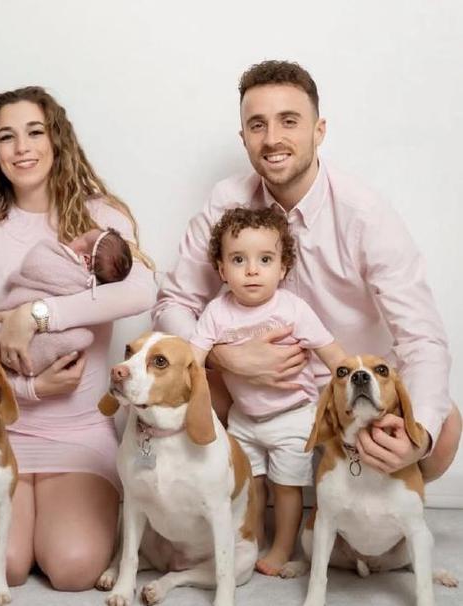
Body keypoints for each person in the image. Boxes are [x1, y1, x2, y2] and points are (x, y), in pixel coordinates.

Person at [153, 58, 461, 545]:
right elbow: (174, 300)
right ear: (243, 137)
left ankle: (368, 514)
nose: (272, 138)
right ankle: (236, 513)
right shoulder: (227, 200)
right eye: (258, 124)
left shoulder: (365, 214)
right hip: (251, 392)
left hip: (346, 393)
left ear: (319, 130)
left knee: (442, 431)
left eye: (289, 121)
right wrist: (223, 357)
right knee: (182, 374)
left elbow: (422, 337)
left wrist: (417, 434)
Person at [0, 86, 156, 590]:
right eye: (6, 137)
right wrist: (29, 389)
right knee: (8, 566)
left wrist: (36, 315)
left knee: (73, 568)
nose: (22, 148)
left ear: (56, 139)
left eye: (34, 132)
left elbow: (141, 290)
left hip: (80, 431)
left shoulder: (101, 217)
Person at [190, 207, 346, 575]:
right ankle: (253, 537)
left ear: (283, 267)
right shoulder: (216, 312)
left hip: (293, 415)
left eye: (265, 259)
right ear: (221, 269)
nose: (252, 270)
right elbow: (192, 361)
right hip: (244, 418)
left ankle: (282, 548)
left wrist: (353, 388)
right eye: (238, 260)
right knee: (252, 484)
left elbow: (334, 357)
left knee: (286, 486)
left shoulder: (293, 309)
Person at [0, 227, 134, 376]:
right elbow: (35, 263)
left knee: (77, 337)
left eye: (80, 238)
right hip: (5, 329)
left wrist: (34, 316)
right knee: (80, 337)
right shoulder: (50, 259)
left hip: (12, 342)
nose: (74, 237)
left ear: (85, 259)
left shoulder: (89, 290)